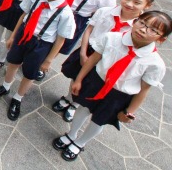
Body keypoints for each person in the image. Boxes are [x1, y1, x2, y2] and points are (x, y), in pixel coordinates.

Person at [52, 11, 170, 162]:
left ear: (161, 39)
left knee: (99, 120)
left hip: (118, 95)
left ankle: (80, 142)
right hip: (97, 82)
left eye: (153, 30)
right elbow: (93, 59)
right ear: (135, 21)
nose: (143, 30)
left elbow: (143, 90)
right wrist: (79, 79)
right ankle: (71, 134)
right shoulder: (112, 38)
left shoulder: (155, 63)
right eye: (142, 23)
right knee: (83, 108)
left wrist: (129, 112)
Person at [53, 0, 157, 122]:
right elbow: (89, 30)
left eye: (137, 2)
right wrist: (83, 52)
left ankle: (76, 104)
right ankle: (69, 97)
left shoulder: (139, 27)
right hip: (89, 51)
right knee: (77, 76)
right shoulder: (105, 12)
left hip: (109, 61)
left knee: (90, 85)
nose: (129, 4)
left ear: (147, 5)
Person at [0, 0, 78, 121]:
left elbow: (60, 39)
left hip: (41, 44)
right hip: (24, 34)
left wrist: (48, 60)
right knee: (13, 63)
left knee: (29, 74)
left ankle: (18, 98)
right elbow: (23, 16)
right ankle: (6, 86)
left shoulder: (66, 14)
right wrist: (13, 36)